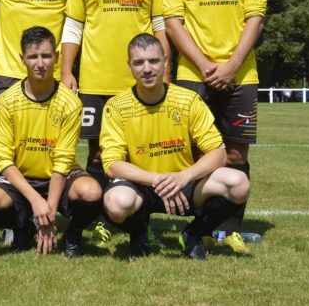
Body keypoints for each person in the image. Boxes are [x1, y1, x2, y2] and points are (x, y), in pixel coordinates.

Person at [163, 0, 265, 250]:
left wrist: (232, 65)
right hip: (194, 76)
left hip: (241, 76)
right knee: (196, 155)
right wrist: (206, 65)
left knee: (236, 155)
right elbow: (173, 23)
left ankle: (229, 228)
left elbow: (255, 18)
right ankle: (200, 228)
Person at [100, 33, 250, 260]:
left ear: (165, 62)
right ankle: (139, 232)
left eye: (153, 61)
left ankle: (194, 234)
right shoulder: (116, 107)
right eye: (139, 62)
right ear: (129, 66)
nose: (147, 69)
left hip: (184, 184)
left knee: (238, 183)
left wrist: (183, 177)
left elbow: (219, 153)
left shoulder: (188, 100)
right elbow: (112, 165)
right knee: (116, 203)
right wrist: (157, 180)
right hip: (142, 186)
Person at [61, 0, 170, 187]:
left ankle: (134, 209)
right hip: (95, 82)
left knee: (140, 151)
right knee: (97, 155)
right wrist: (66, 71)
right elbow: (73, 27)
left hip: (139, 81)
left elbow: (160, 26)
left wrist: (166, 71)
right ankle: (99, 211)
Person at [0, 26, 103, 257]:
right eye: (33, 56)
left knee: (92, 191)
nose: (40, 63)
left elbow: (63, 161)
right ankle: (23, 227)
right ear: (22, 59)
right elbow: (2, 158)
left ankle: (73, 233)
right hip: (23, 178)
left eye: (46, 55)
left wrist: (49, 213)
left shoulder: (70, 103)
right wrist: (35, 200)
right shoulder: (7, 101)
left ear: (56, 57)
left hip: (59, 177)